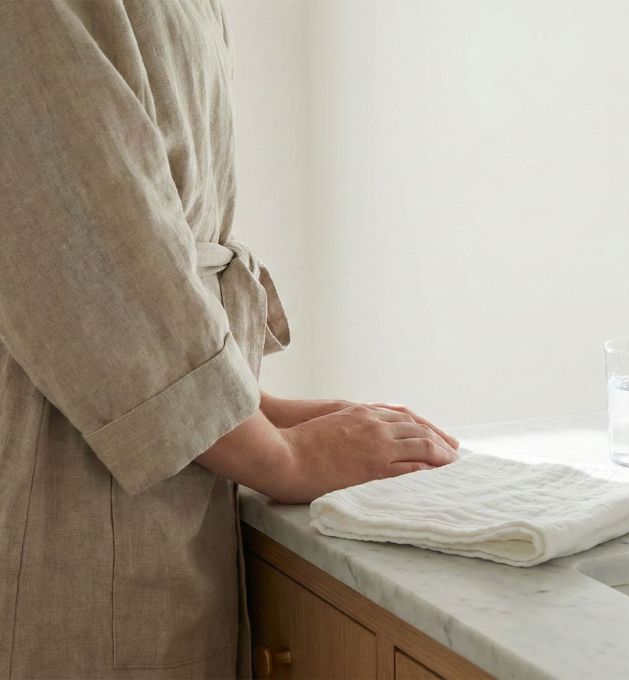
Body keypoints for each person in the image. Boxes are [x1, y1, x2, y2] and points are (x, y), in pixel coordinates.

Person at [0, 2, 459, 678]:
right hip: (64, 496)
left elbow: (140, 235)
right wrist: (282, 456)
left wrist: (253, 409)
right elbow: (83, 246)